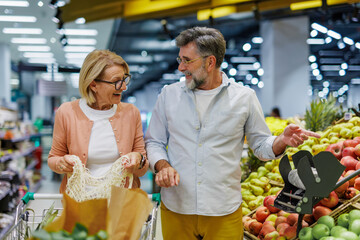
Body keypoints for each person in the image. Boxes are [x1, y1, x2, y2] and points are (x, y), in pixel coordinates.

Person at [145, 27, 320, 240]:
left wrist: (281, 140)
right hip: (176, 208)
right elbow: (154, 142)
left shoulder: (244, 98)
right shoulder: (168, 96)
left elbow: (261, 145)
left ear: (210, 62)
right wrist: (162, 166)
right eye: (180, 59)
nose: (181, 67)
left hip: (224, 210)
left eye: (187, 60)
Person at [48, 49, 148, 193]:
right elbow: (53, 159)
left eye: (124, 79)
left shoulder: (131, 113)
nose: (124, 87)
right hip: (80, 202)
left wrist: (139, 159)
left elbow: (142, 167)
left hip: (121, 203)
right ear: (93, 85)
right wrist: (61, 163)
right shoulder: (67, 112)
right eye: (116, 82)